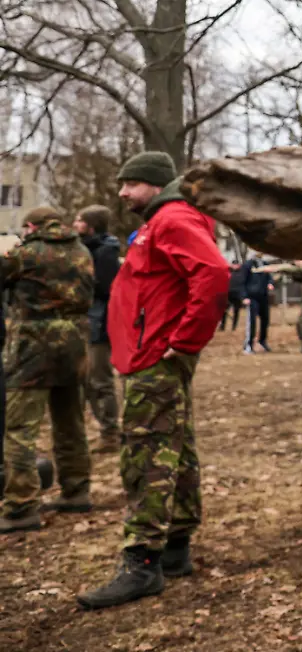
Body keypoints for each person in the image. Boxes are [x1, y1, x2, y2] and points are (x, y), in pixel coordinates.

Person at [77, 151, 229, 610]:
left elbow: (213, 273)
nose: (122, 192)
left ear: (156, 184)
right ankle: (177, 547)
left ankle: (141, 563)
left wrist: (185, 341)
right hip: (148, 353)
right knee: (173, 446)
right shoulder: (162, 220)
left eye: (131, 183)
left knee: (145, 453)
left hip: (155, 356)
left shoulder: (172, 219)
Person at [0, 207, 95, 534]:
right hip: (75, 344)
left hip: (34, 347)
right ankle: (77, 489)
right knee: (71, 422)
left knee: (20, 428)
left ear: (31, 226)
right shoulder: (81, 250)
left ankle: (21, 505)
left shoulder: (27, 254)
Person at [74, 205, 122, 453]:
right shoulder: (86, 248)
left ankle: (110, 433)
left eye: (79, 220)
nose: (75, 224)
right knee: (88, 381)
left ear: (91, 226)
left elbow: (105, 289)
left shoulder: (104, 253)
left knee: (100, 380)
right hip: (88, 321)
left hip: (99, 323)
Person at [235, 252, 273, 353]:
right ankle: (249, 345)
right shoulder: (247, 265)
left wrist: (270, 283)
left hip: (263, 296)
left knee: (265, 320)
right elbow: (241, 282)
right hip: (252, 297)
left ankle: (262, 341)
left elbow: (269, 277)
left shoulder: (265, 264)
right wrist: (244, 297)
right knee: (252, 321)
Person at [219, 263, 244, 332]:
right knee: (224, 311)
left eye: (237, 264)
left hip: (237, 294)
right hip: (228, 294)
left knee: (236, 311)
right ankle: (222, 326)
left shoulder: (242, 273)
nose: (235, 266)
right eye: (234, 264)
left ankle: (234, 327)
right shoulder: (228, 272)